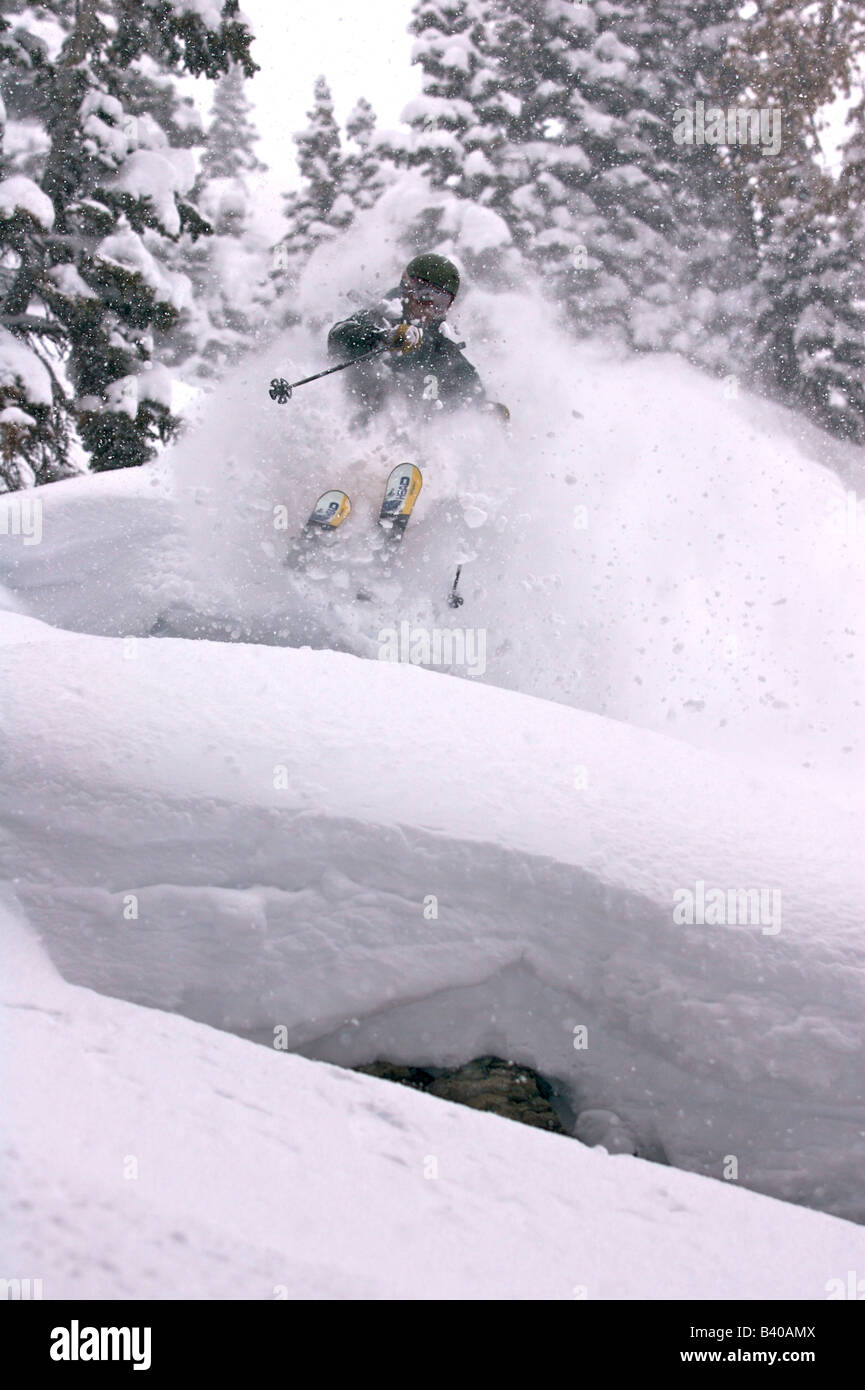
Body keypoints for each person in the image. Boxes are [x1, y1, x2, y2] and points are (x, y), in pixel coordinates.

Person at [327, 253, 509, 424]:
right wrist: (382, 338)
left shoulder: (441, 350)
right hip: (358, 427)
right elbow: (338, 338)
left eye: (440, 302)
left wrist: (485, 411)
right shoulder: (380, 318)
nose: (429, 307)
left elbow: (469, 392)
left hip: (410, 444)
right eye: (425, 295)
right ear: (407, 288)